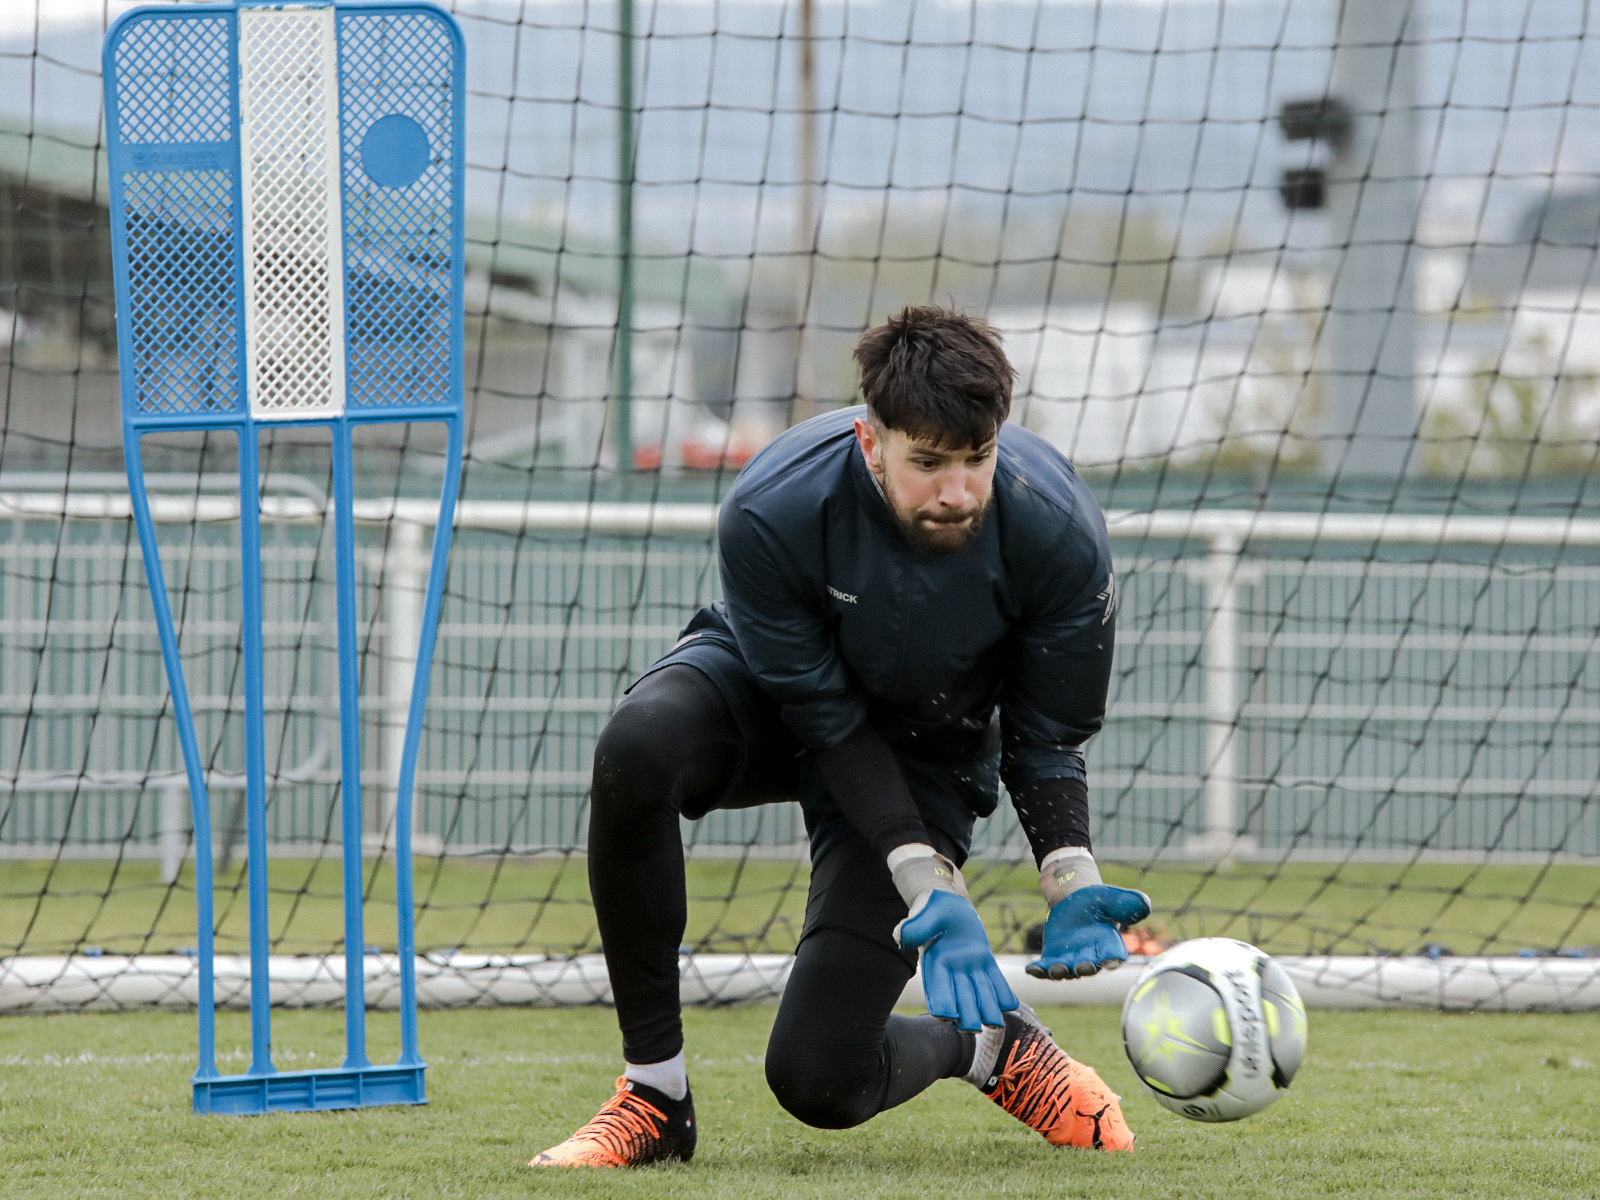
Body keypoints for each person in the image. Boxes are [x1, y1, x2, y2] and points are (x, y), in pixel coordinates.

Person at [531, 306, 1151, 1170]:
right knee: (638, 747)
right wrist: (925, 882)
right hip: (776, 697)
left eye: (978, 460)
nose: (957, 491)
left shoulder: (1059, 533)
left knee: (820, 1079)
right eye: (927, 464)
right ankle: (654, 1097)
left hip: (928, 747)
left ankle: (986, 1047)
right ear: (871, 442)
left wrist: (1070, 874)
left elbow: (1046, 740)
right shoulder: (772, 506)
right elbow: (825, 721)